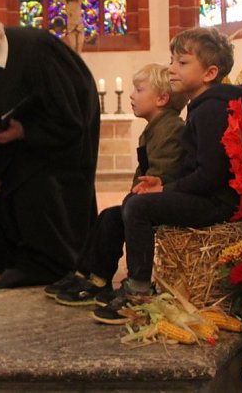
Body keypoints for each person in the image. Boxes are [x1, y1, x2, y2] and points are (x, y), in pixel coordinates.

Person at [91, 27, 242, 324]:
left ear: (209, 73)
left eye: (182, 63)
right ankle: (99, 278)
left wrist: (168, 190)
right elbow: (197, 167)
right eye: (172, 60)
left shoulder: (211, 110)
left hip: (220, 203)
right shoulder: (203, 107)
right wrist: (164, 184)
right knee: (133, 203)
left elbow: (210, 176)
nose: (171, 68)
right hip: (207, 195)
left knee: (138, 207)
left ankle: (139, 290)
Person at [0, 4, 100, 289]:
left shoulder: (36, 48)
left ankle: (44, 262)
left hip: (50, 151)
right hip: (0, 157)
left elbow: (70, 113)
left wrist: (25, 131)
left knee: (35, 187)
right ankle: (10, 259)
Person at [45, 64, 187, 307]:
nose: (132, 94)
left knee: (113, 217)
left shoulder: (170, 128)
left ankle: (107, 280)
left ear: (162, 98)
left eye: (139, 89)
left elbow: (164, 172)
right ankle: (89, 275)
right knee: (108, 217)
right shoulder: (156, 127)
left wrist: (136, 196)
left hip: (165, 200)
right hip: (152, 198)